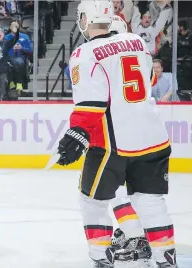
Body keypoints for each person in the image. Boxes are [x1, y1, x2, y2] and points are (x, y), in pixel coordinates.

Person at [56, 1, 177, 268]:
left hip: (113, 144)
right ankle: (166, 258)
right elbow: (150, 82)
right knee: (150, 201)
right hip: (153, 138)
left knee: (92, 200)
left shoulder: (85, 53)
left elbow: (91, 104)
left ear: (85, 19)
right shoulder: (137, 42)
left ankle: (100, 257)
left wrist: (77, 132)